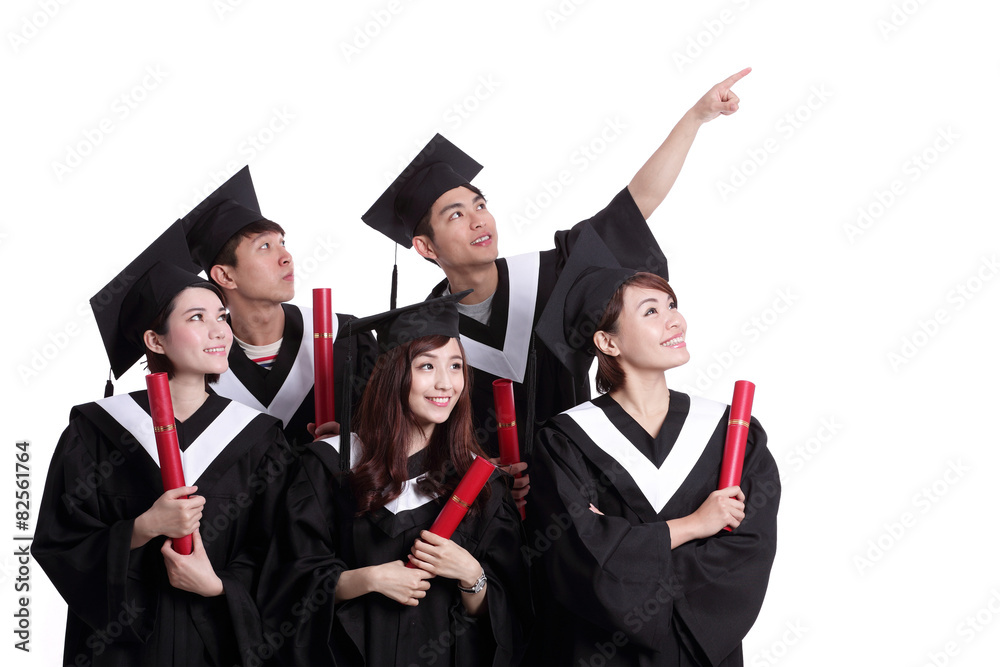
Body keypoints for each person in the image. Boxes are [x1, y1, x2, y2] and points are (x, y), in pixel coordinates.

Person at [361, 69, 750, 476]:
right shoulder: (424, 334)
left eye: (480, 205)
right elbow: (420, 431)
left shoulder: (553, 273)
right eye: (456, 215)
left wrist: (695, 117)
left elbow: (636, 205)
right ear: (426, 247)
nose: (479, 220)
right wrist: (479, 471)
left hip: (586, 478)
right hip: (491, 507)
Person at [33, 222, 292, 666]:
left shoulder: (259, 438)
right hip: (124, 652)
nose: (218, 331)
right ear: (155, 340)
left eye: (221, 316)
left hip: (217, 648)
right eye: (197, 318)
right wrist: (144, 527)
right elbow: (59, 543)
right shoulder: (95, 430)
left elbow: (282, 557)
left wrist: (218, 587)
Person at [527, 227, 780, 665]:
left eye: (672, 306)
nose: (675, 321)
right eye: (651, 311)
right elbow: (576, 557)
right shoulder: (564, 441)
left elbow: (749, 548)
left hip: (704, 652)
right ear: (608, 342)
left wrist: (625, 545)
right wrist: (695, 526)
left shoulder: (729, 430)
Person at [258, 294, 531, 666]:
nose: (446, 383)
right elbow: (285, 581)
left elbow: (510, 617)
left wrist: (471, 574)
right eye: (426, 366)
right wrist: (367, 579)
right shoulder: (326, 467)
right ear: (393, 375)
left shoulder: (481, 483)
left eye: (455, 366)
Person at [182, 166, 377, 449]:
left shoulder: (347, 339)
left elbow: (390, 440)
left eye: (282, 243)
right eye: (265, 247)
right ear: (225, 276)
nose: (286, 257)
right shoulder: (201, 369)